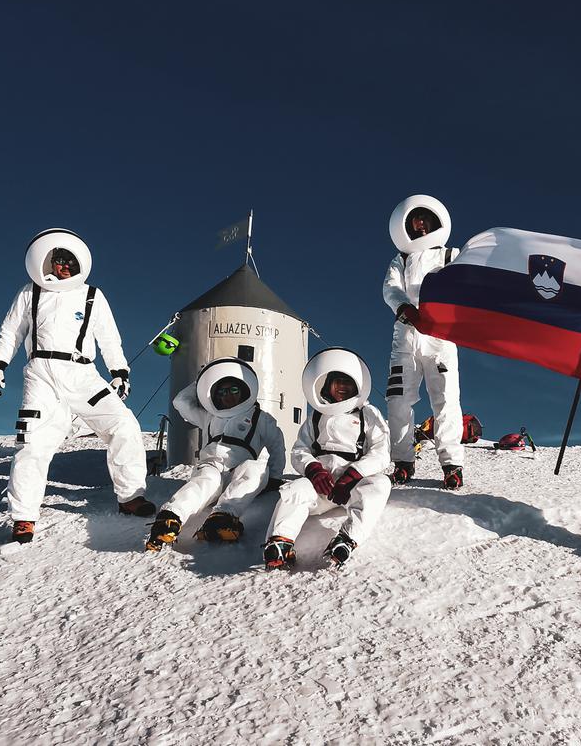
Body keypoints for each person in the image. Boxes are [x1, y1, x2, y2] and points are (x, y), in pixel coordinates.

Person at [0, 228, 153, 544]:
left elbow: (109, 338)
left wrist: (119, 372)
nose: (63, 267)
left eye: (69, 262)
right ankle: (23, 518)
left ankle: (130, 497)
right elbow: (10, 333)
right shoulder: (29, 293)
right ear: (47, 263)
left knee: (124, 425)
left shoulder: (92, 296)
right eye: (58, 260)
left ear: (79, 266)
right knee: (32, 445)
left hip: (84, 376)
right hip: (41, 376)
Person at [263, 348, 391, 569]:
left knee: (380, 484)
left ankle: (347, 539)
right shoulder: (316, 415)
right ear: (327, 385)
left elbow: (381, 453)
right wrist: (313, 469)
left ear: (357, 387)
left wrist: (353, 474)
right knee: (295, 490)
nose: (342, 387)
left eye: (348, 383)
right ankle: (280, 542)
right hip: (320, 484)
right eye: (337, 382)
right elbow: (299, 450)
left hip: (351, 486)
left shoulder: (368, 414)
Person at [145, 358, 285, 551]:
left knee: (257, 468)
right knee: (204, 481)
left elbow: (276, 444)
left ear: (244, 390)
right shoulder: (210, 415)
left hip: (240, 470)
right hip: (212, 465)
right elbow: (181, 402)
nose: (228, 395)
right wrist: (203, 380)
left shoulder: (260, 417)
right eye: (222, 391)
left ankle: (224, 516)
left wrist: (275, 477)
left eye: (234, 390)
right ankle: (170, 519)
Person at [382, 194, 466, 489]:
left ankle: (452, 464)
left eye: (424, 219)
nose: (419, 224)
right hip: (405, 335)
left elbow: (472, 279)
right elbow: (390, 288)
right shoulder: (400, 259)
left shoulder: (450, 255)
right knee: (398, 401)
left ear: (433, 222)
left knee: (445, 399)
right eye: (414, 219)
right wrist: (403, 307)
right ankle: (403, 461)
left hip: (441, 336)